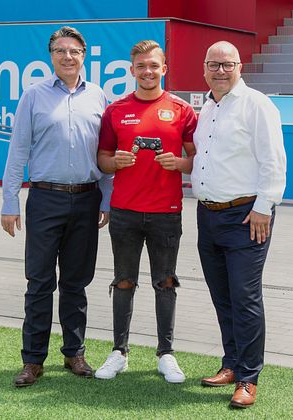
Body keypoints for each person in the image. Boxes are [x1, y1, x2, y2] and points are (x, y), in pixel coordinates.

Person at [1, 26, 112, 387]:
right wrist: (9, 201)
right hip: (45, 199)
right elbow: (17, 151)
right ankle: (33, 360)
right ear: (51, 56)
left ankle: (73, 353)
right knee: (39, 282)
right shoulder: (33, 96)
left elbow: (105, 154)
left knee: (77, 283)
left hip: (86, 198)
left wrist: (107, 199)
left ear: (84, 55)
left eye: (74, 50)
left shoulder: (98, 97)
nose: (68, 56)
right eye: (61, 50)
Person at [94, 40, 197, 383]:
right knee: (123, 282)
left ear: (164, 69)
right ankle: (119, 352)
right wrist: (115, 162)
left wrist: (180, 164)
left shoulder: (182, 110)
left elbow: (199, 160)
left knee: (165, 282)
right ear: (132, 70)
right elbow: (102, 159)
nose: (148, 71)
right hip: (123, 212)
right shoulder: (116, 110)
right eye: (141, 66)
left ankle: (165, 353)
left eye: (154, 65)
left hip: (166, 213)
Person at [191, 41, 287, 408]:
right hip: (208, 215)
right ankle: (231, 363)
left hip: (247, 216)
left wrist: (265, 207)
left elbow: (274, 160)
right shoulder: (207, 108)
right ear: (204, 67)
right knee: (223, 297)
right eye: (213, 64)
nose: (219, 70)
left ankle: (248, 377)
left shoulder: (257, 104)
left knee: (245, 298)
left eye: (226, 64)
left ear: (240, 66)